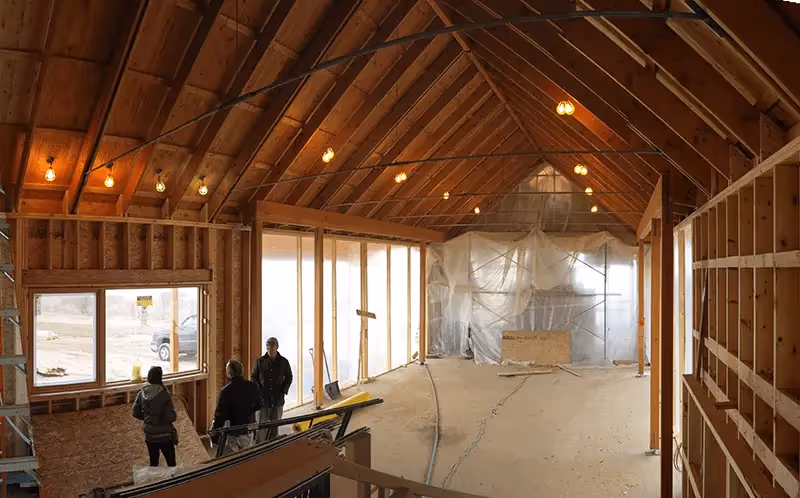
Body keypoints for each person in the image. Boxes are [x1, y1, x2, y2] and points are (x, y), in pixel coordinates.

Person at [211, 359, 261, 455]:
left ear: (229, 373)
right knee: (247, 457)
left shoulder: (225, 392)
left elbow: (220, 416)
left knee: (232, 459)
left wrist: (214, 434)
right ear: (241, 372)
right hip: (248, 429)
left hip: (232, 432)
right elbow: (259, 405)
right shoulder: (253, 386)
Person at [133, 366, 178, 467]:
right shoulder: (164, 394)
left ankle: (154, 480)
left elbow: (135, 412)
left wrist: (148, 418)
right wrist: (173, 415)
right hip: (164, 435)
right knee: (171, 463)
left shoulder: (142, 392)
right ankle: (173, 482)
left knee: (153, 463)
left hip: (149, 435)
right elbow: (170, 417)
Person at [250, 337, 293, 442]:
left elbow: (289, 377)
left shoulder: (284, 362)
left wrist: (283, 390)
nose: (270, 347)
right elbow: (253, 377)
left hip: (278, 399)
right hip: (262, 400)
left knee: (275, 425)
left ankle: (273, 447)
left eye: (272, 345)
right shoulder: (259, 361)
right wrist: (259, 390)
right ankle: (259, 449)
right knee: (261, 426)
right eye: (268, 345)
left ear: (277, 347)